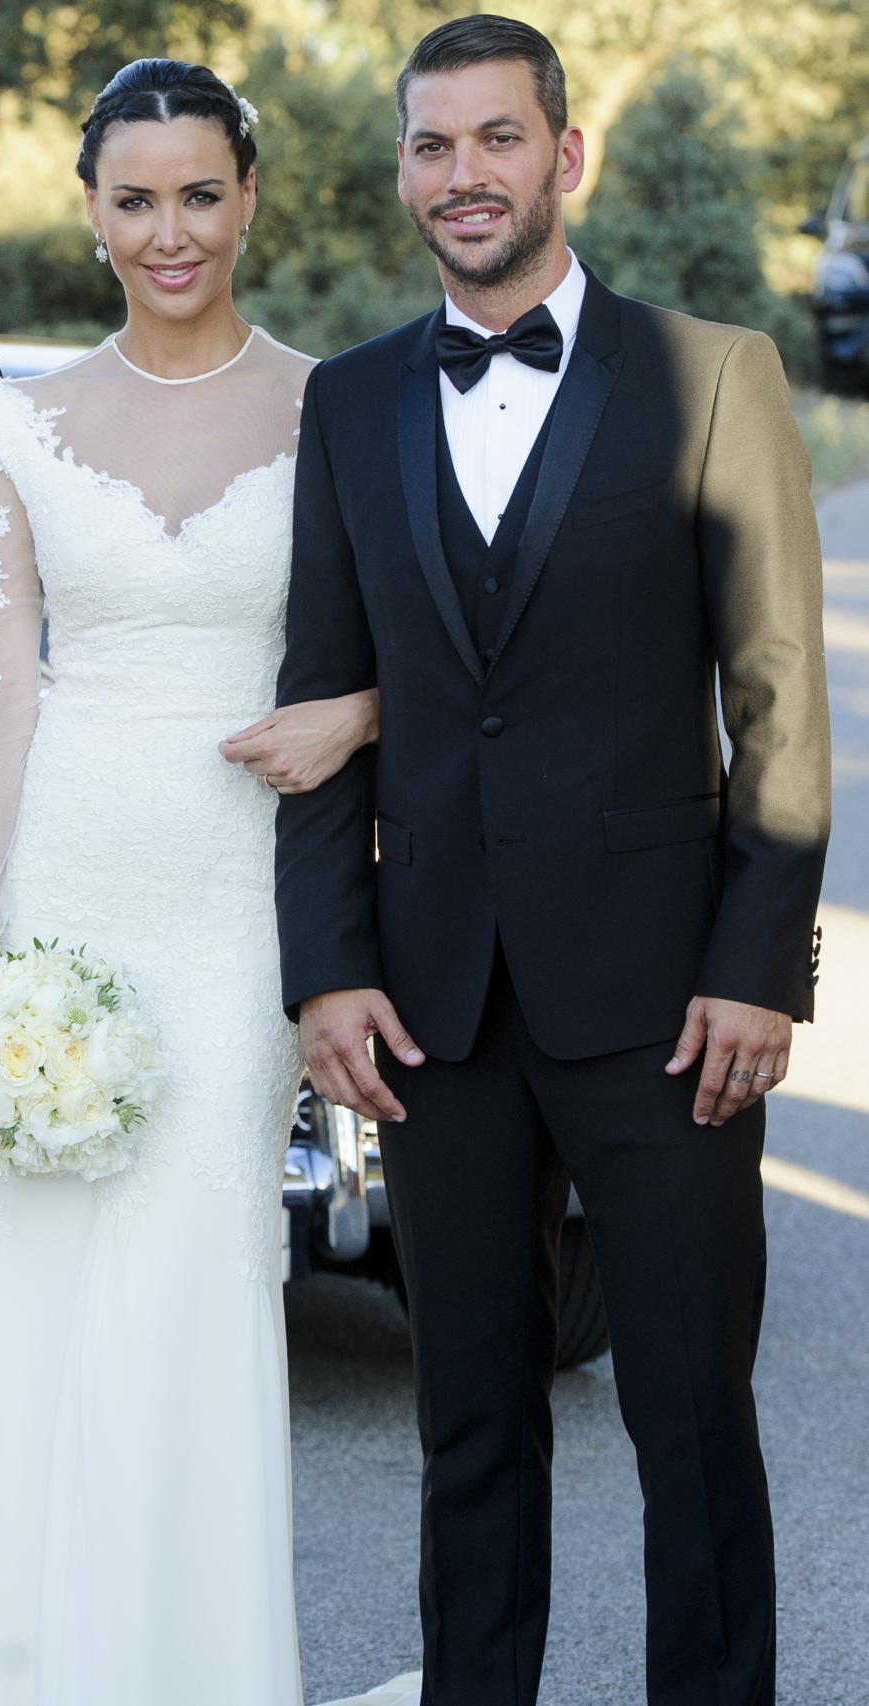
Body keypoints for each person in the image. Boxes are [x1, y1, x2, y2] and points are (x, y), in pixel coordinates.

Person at [276, 17, 830, 1706]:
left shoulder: (712, 371)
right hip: (433, 998)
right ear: (402, 171)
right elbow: (317, 696)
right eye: (431, 148)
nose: (463, 178)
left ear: (561, 157)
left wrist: (754, 966)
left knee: (686, 1414)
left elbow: (777, 698)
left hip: (663, 997)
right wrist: (327, 963)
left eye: (495, 141)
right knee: (467, 1422)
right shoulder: (352, 397)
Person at [0, 59, 379, 1706]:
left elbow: (432, 650)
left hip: (238, 895)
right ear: (91, 211)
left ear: (250, 195)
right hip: (60, 894)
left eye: (198, 193)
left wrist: (366, 710)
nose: (167, 231)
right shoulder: (9, 419)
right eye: (134, 199)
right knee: (37, 1292)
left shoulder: (347, 404)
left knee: (192, 1286)